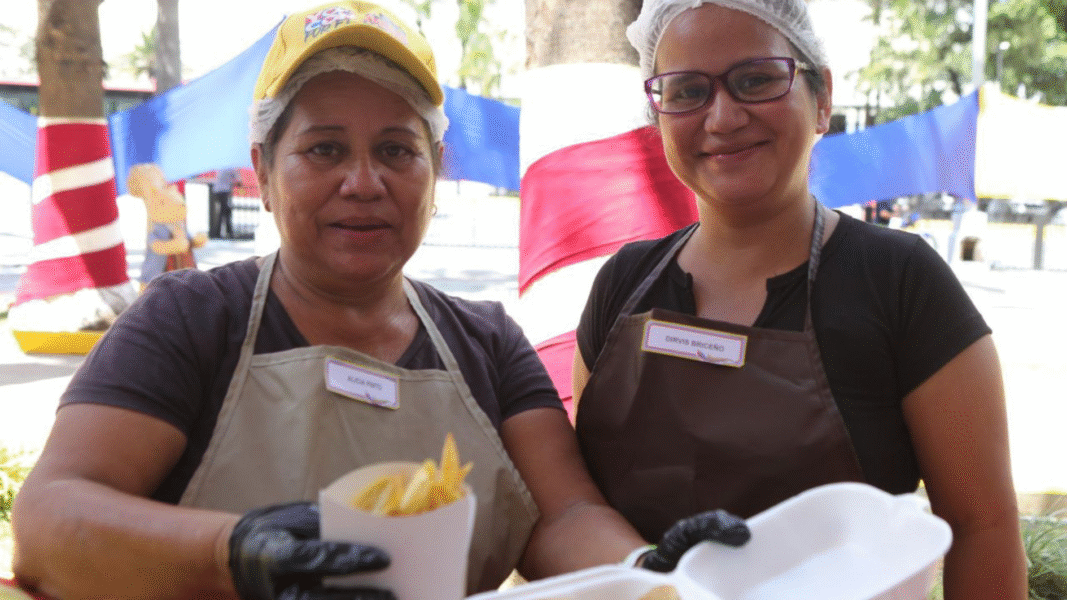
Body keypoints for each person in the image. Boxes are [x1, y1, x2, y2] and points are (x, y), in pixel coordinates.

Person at [9, 3, 748, 600]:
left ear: (436, 171)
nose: (363, 182)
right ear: (264, 173)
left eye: (397, 149)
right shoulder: (191, 321)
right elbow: (49, 521)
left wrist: (652, 575)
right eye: (324, 149)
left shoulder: (486, 343)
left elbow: (565, 515)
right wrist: (234, 553)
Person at [570, 1, 1028, 599]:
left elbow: (982, 528)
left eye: (756, 79)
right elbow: (580, 505)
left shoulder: (901, 282)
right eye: (686, 91)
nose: (723, 116)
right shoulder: (622, 284)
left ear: (822, 97)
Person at [210, 168, 239, 239]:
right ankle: (228, 233)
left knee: (223, 212)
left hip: (217, 191)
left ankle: (218, 233)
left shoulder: (222, 167)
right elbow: (239, 181)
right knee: (225, 212)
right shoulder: (232, 169)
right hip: (224, 191)